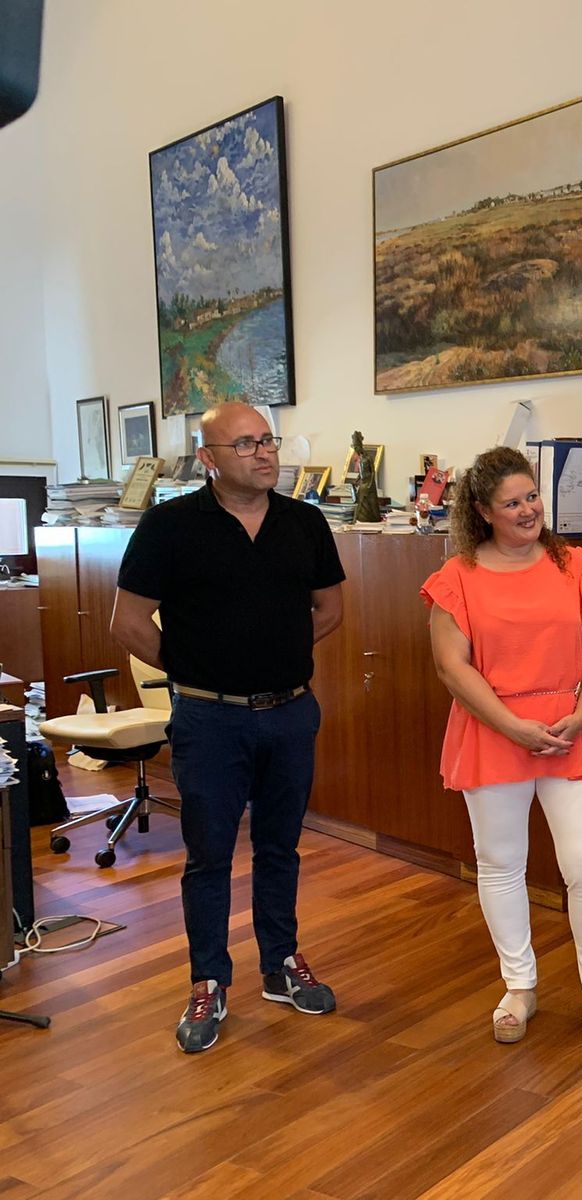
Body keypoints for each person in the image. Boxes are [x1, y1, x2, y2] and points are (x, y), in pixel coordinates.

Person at [110, 401, 345, 1054]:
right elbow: (128, 623)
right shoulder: (169, 526)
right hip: (209, 718)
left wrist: (274, 654)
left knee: (280, 846)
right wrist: (197, 667)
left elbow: (329, 609)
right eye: (244, 444)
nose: (263, 452)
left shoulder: (304, 522)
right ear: (207, 460)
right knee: (209, 855)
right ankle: (209, 979)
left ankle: (280, 963)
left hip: (290, 712)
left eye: (267, 440)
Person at [422, 446, 582, 1051]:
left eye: (532, 496)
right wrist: (512, 726)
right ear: (483, 512)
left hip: (570, 729)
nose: (528, 509)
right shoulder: (456, 577)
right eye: (512, 503)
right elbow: (452, 668)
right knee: (501, 863)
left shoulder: (575, 565)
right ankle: (519, 986)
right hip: (494, 730)